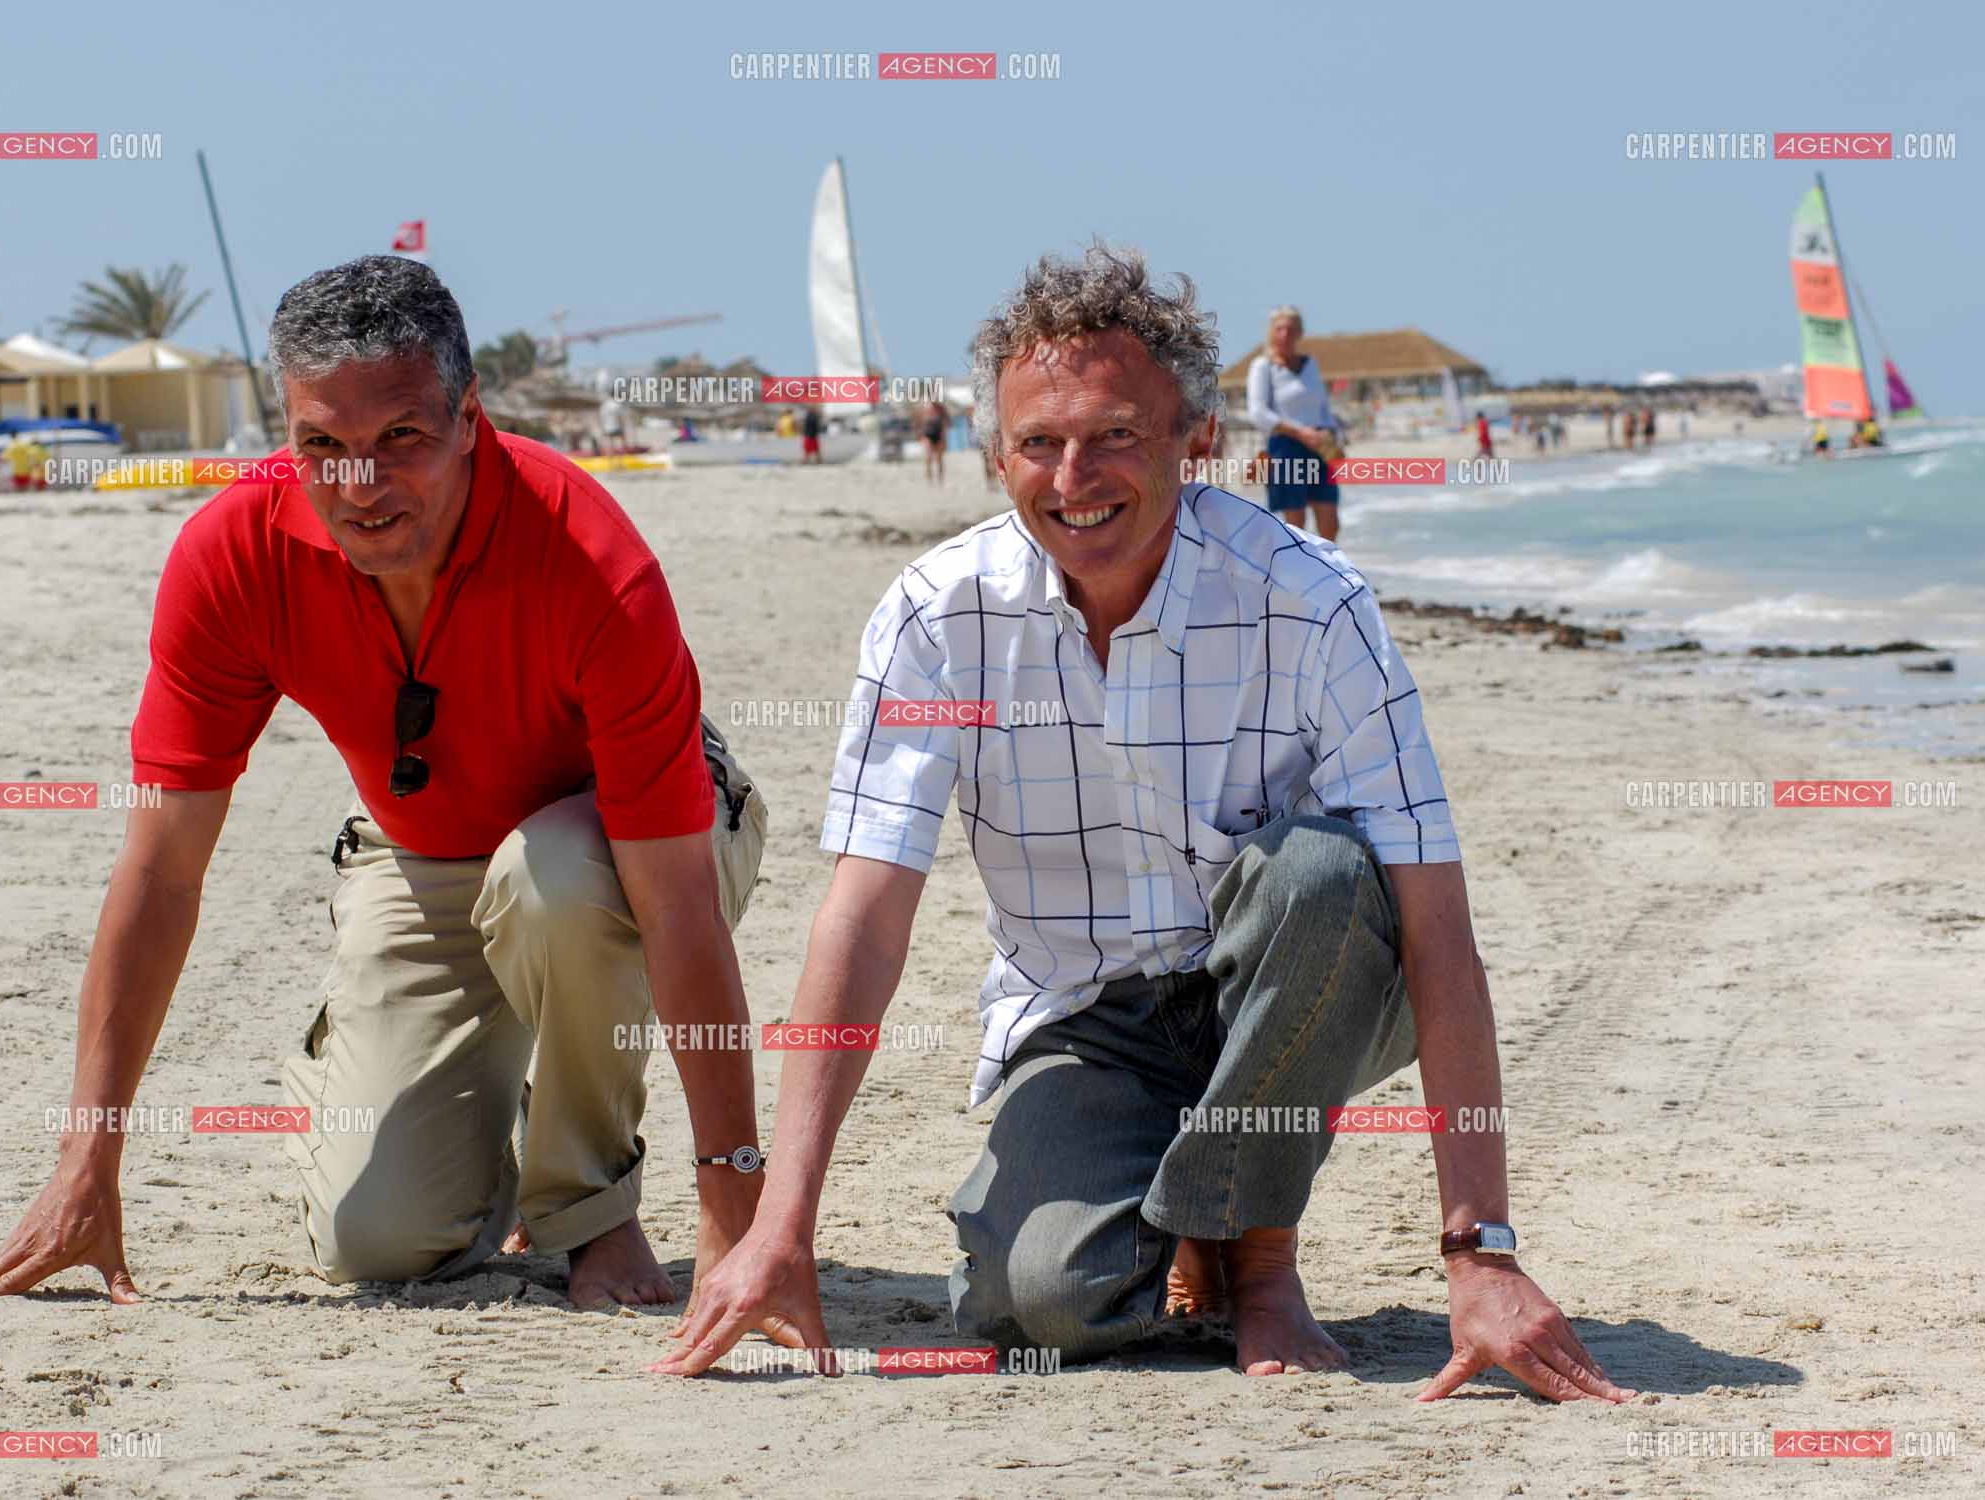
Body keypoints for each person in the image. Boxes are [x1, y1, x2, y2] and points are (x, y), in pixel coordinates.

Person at [660, 244, 1632, 1404]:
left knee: (1317, 875)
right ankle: (1184, 1221)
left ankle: (1255, 1258)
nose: (1073, 477)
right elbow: (863, 921)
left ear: (1195, 439)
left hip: (1301, 989)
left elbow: (1435, 927)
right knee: (1042, 1303)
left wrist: (1481, 1254)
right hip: (1083, 1021)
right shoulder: (936, 619)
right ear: (994, 453)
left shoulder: (1309, 603)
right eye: (1038, 442)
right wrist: (780, 1227)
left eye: (1115, 434)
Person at [0, 256, 772, 1312]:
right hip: (419, 842)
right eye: (322, 447)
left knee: (554, 882)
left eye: (400, 438)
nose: (360, 486)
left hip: (635, 836)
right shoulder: (231, 556)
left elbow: (676, 905)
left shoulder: (589, 558)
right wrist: (88, 1161)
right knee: (381, 1244)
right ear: (285, 434)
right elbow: (160, 871)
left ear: (468, 419)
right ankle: (401, 1079)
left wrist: (736, 1216)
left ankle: (590, 1211)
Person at [1246, 305, 1342, 541]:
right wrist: (1300, 433)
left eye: (1290, 330)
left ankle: (1329, 564)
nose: (1285, 335)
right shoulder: (1263, 366)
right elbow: (1258, 412)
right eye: (1279, 329)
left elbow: (1323, 408)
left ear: (1300, 333)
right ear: (1271, 332)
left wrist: (1334, 439)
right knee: (1296, 527)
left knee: (1330, 522)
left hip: (1320, 446)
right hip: (1285, 446)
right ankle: (1295, 566)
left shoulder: (1311, 365)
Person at [918, 399, 949, 485]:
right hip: (927, 434)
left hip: (938, 434)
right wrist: (920, 436)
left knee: (939, 459)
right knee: (928, 458)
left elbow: (946, 423)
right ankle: (930, 481)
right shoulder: (924, 407)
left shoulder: (941, 408)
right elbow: (919, 422)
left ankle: (940, 480)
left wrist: (944, 436)